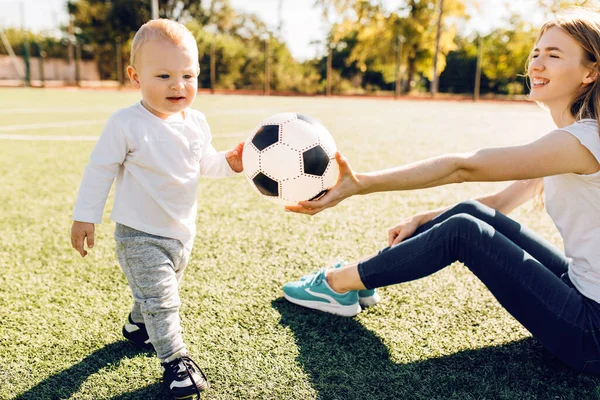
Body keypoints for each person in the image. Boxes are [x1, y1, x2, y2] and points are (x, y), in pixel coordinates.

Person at [283, 8, 600, 374]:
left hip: (591, 333)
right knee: (472, 215)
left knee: (465, 232)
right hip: (580, 290)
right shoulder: (572, 140)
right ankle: (363, 278)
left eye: (554, 55)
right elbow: (499, 204)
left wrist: (361, 184)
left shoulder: (582, 141)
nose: (537, 64)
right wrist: (428, 217)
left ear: (590, 72)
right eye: (536, 53)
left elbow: (463, 167)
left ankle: (338, 283)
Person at [70, 19, 244, 399]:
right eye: (163, 75)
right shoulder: (127, 123)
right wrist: (86, 215)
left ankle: (137, 325)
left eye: (187, 75)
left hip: (181, 233)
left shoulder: (196, 123)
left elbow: (205, 164)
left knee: (154, 297)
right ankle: (174, 361)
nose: (178, 85)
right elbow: (100, 169)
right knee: (164, 301)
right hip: (139, 234)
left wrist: (230, 161)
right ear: (135, 76)